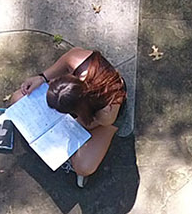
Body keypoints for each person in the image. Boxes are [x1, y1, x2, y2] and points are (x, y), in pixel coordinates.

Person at [8, 47, 126, 184]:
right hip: (83, 107)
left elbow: (97, 123)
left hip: (101, 121)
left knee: (84, 167)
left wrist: (65, 130)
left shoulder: (106, 110)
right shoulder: (79, 62)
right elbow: (65, 61)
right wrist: (42, 78)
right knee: (17, 99)